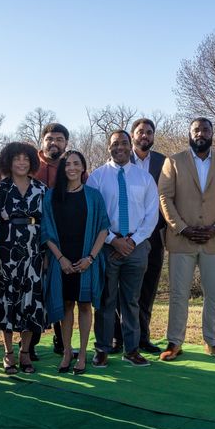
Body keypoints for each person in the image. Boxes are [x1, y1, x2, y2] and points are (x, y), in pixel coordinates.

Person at [158, 117, 215, 362]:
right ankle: (174, 342)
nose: (201, 133)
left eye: (205, 129)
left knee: (214, 295)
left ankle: (213, 341)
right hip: (181, 239)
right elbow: (165, 197)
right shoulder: (173, 161)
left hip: (214, 240)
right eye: (196, 129)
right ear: (190, 133)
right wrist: (181, 228)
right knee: (178, 294)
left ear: (212, 133)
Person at [86, 130, 158, 368]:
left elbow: (151, 215)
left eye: (124, 143)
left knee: (132, 301)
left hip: (136, 247)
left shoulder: (144, 178)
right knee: (106, 300)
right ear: (108, 147)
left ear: (131, 146)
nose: (120, 147)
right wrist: (113, 241)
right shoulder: (97, 178)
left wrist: (132, 241)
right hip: (106, 246)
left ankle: (132, 349)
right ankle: (103, 348)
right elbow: (93, 214)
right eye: (115, 143)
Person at [42, 150, 109, 375]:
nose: (71, 167)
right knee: (67, 305)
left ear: (83, 167)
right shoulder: (51, 196)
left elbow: (103, 228)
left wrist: (90, 258)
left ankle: (82, 353)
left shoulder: (93, 196)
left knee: (84, 305)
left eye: (76, 163)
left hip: (85, 260)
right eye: (67, 164)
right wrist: (60, 258)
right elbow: (46, 231)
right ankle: (67, 351)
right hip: (62, 260)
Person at [0, 142, 47, 374]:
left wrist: (45, 255)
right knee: (7, 301)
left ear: (32, 161)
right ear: (8, 162)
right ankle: (8, 353)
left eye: (26, 158)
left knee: (30, 302)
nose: (21, 162)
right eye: (16, 158)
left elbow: (47, 225)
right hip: (6, 253)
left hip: (33, 253)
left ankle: (25, 353)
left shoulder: (41, 189)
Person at [112, 118, 167, 354]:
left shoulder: (164, 163)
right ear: (132, 136)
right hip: (119, 238)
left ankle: (142, 337)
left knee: (146, 289)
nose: (145, 135)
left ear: (153, 136)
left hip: (153, 236)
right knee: (115, 292)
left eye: (149, 132)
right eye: (140, 131)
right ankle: (117, 338)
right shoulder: (120, 159)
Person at [28, 122, 81, 359]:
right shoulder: (30, 164)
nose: (54, 143)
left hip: (62, 239)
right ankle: (30, 344)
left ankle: (62, 341)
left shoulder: (70, 166)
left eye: (59, 139)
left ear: (66, 143)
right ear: (42, 142)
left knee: (60, 290)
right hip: (30, 237)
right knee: (35, 290)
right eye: (50, 138)